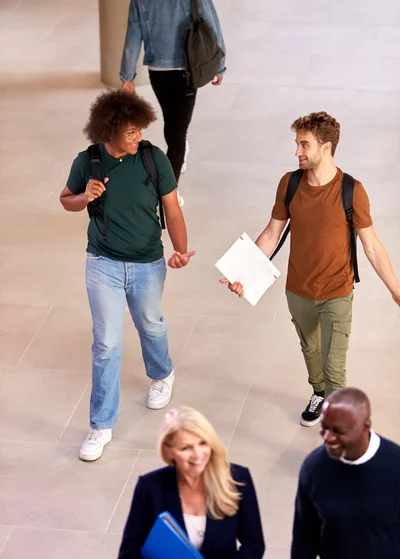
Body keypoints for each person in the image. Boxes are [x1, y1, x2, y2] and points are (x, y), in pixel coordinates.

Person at [221, 112, 400, 427]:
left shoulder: (351, 190)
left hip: (337, 292)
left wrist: (395, 289)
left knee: (335, 368)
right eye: (297, 144)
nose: (297, 151)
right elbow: (271, 233)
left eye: (304, 144)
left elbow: (371, 245)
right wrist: (243, 276)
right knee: (310, 348)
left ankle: (338, 425)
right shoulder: (290, 183)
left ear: (326, 147)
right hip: (298, 290)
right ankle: (318, 392)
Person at [60, 90, 195, 462]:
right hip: (102, 262)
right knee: (106, 343)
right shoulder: (87, 162)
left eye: (140, 131)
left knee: (150, 324)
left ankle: (162, 373)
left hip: (147, 262)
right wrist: (84, 196)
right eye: (131, 132)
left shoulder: (153, 159)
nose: (138, 138)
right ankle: (101, 426)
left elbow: (172, 209)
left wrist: (180, 250)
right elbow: (65, 199)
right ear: (110, 130)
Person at [117, 406, 265, 559]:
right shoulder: (150, 487)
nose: (197, 454)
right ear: (169, 452)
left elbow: (253, 546)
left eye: (203, 443)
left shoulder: (238, 480)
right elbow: (128, 556)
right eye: (185, 448)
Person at [289, 387, 400, 559]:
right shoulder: (314, 468)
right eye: (324, 428)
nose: (328, 437)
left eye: (338, 431)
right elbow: (304, 539)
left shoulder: (395, 466)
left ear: (365, 426)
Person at [120, 0, 226, 205]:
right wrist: (219, 65)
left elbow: (133, 33)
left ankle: (179, 154)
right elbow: (213, 24)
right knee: (177, 134)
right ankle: (169, 193)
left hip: (158, 72)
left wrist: (127, 76)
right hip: (187, 68)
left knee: (173, 123)